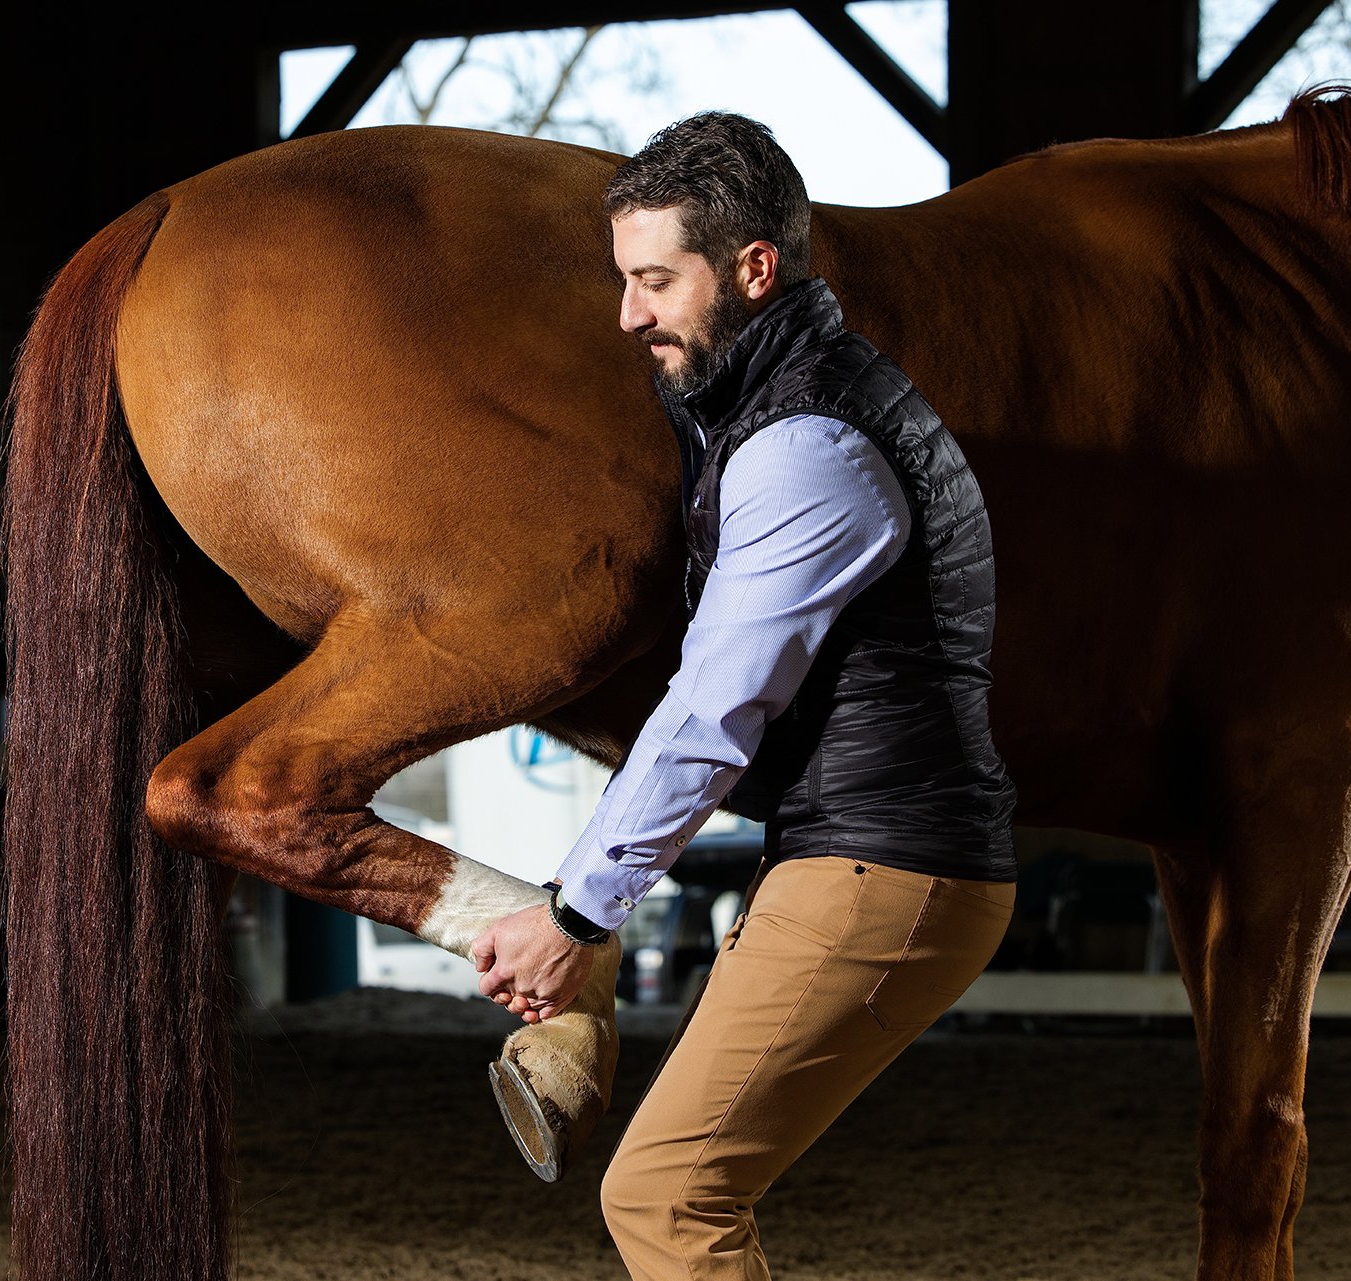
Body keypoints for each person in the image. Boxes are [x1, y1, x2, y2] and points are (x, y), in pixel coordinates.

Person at [471, 111, 1019, 1280]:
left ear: (753, 268)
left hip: (888, 868)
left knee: (669, 1198)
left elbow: (713, 711)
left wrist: (577, 919)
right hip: (859, 853)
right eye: (625, 282)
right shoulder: (788, 408)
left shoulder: (806, 449)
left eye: (656, 281)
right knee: (677, 1191)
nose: (630, 316)